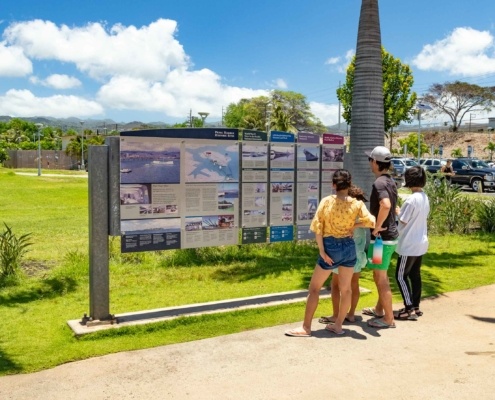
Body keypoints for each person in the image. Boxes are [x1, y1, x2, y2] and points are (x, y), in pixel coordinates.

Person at [285, 170, 375, 337]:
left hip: (330, 246)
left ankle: (306, 327)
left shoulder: (327, 201)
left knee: (314, 288)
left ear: (334, 184)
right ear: (349, 184)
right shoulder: (357, 204)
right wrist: (354, 227)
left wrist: (322, 251)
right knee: (346, 289)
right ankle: (338, 325)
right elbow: (371, 221)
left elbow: (317, 227)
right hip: (349, 247)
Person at [318, 185, 369, 325]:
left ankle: (336, 315)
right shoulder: (360, 212)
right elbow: (370, 221)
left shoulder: (346, 213)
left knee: (335, 285)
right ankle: (351, 314)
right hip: (357, 255)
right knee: (354, 285)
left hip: (342, 253)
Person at [362, 146, 399, 329]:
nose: (369, 162)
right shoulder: (390, 181)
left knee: (381, 277)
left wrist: (376, 227)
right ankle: (379, 310)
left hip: (381, 240)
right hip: (388, 238)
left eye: (370, 159)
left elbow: (385, 205)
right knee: (378, 274)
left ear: (376, 163)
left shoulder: (379, 184)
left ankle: (388, 319)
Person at [394, 166, 430, 320]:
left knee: (400, 276)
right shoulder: (424, 197)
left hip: (409, 244)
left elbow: (403, 220)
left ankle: (408, 308)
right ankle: (415, 306)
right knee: (415, 275)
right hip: (420, 242)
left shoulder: (411, 199)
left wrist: (397, 212)